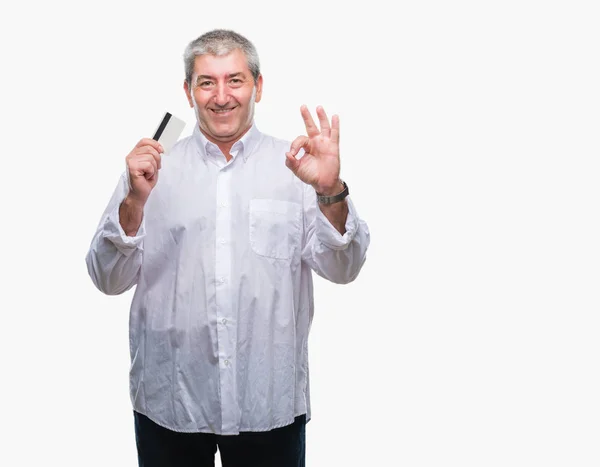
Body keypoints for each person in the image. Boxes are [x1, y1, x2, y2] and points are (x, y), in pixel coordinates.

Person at [86, 29, 370, 467]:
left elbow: (344, 267)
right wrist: (134, 202)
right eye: (207, 82)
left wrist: (330, 190)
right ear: (188, 91)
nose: (222, 96)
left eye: (235, 80)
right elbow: (107, 278)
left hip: (268, 403)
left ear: (258, 86)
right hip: (170, 402)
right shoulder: (150, 171)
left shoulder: (297, 170)